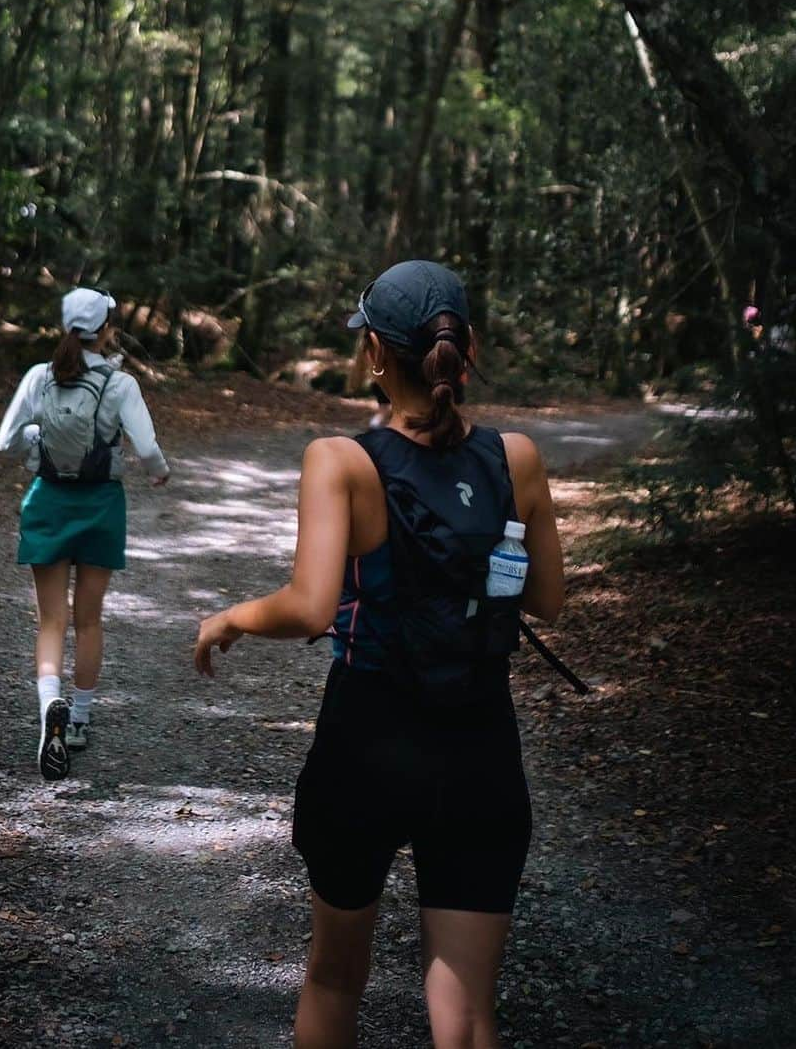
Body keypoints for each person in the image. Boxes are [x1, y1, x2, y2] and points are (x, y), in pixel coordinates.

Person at [194, 260, 565, 1049]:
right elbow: (547, 601)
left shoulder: (341, 461)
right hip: (481, 746)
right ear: (466, 350)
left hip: (366, 743)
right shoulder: (520, 459)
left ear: (373, 354)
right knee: (465, 1018)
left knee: (334, 978)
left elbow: (308, 608)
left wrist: (232, 616)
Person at [0, 286, 170, 781]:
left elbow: (4, 440)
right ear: (107, 330)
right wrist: (159, 471)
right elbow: (148, 445)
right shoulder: (121, 383)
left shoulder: (39, 377)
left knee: (51, 620)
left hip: (48, 502)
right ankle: (78, 721)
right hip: (100, 506)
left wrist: (36, 437)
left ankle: (48, 703)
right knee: (88, 620)